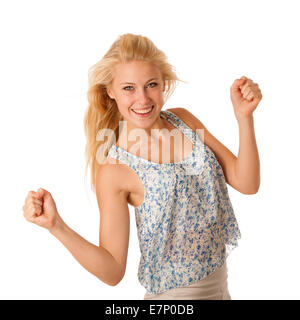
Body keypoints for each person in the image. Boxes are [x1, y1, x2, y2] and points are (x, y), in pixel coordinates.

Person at [22, 33, 262, 300]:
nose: (143, 99)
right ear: (110, 91)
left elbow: (247, 183)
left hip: (222, 289)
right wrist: (57, 226)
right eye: (128, 88)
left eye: (151, 84)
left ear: (164, 84)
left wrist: (244, 117)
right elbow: (113, 270)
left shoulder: (183, 120)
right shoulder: (114, 169)